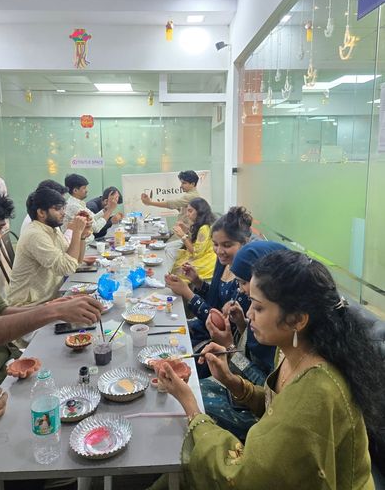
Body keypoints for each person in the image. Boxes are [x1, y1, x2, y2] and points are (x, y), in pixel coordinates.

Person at [152, 250, 384, 490]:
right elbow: (278, 406)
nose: (248, 314)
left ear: (297, 320)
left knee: (186, 467)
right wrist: (232, 381)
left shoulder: (318, 389)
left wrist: (191, 406)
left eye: (259, 308)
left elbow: (243, 478)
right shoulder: (291, 350)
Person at [0, 186, 103, 400]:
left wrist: (51, 307)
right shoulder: (34, 234)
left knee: (84, 372)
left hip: (7, 362)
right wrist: (53, 311)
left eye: (0, 228)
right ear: (41, 212)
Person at [199, 240, 286, 437]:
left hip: (259, 416)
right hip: (247, 393)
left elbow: (268, 391)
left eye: (243, 282)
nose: (240, 289)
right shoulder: (268, 320)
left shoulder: (284, 338)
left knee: (192, 402)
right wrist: (241, 326)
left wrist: (230, 348)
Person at [165, 207, 253, 356]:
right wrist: (197, 281)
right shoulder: (223, 263)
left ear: (244, 243)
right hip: (204, 328)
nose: (219, 251)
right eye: (216, 244)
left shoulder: (245, 280)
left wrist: (188, 293)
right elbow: (217, 299)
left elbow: (220, 324)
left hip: (220, 343)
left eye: (227, 245)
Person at [7, 187, 90, 307]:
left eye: (63, 208)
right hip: (29, 306)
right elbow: (67, 268)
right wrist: (76, 231)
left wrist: (82, 236)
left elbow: (75, 262)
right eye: (58, 209)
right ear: (41, 213)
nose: (63, 213)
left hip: (51, 299)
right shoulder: (35, 234)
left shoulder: (52, 229)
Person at [170, 198, 216, 283]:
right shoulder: (203, 224)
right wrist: (186, 231)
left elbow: (196, 253)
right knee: (177, 262)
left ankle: (183, 290)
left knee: (179, 268)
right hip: (205, 255)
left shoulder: (204, 228)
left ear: (200, 211)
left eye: (190, 211)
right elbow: (196, 242)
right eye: (187, 211)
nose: (187, 214)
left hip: (207, 260)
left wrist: (183, 236)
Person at [63, 174, 117, 243]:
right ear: (75, 190)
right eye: (84, 188)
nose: (87, 190)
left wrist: (105, 210)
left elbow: (93, 217)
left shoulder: (77, 203)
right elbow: (96, 228)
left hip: (87, 242)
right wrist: (110, 210)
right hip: (83, 245)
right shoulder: (74, 206)